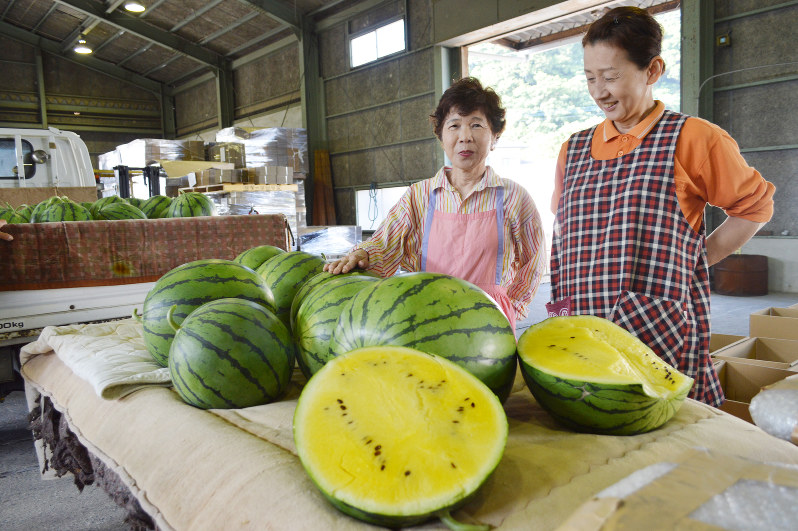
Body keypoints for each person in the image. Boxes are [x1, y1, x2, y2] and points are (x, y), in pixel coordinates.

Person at [549, 6, 775, 407]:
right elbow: (565, 236)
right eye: (590, 77)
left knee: (664, 425)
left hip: (655, 328)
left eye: (611, 76)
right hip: (579, 327)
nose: (599, 91)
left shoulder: (694, 138)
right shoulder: (574, 148)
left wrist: (696, 260)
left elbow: (753, 208)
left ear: (653, 70)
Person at [325, 77, 546, 332]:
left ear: (495, 137)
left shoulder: (514, 198)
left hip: (489, 323)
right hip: (427, 315)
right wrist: (361, 255)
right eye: (454, 126)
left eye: (476, 125)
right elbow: (385, 244)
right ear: (441, 137)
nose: (465, 137)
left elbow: (534, 260)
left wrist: (510, 306)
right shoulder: (419, 195)